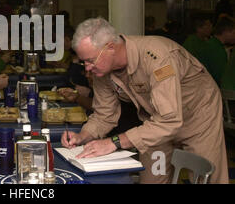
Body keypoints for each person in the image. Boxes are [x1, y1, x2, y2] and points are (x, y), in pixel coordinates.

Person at [61, 17, 228, 184]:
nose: (88, 68)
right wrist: (82, 136)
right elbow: (104, 114)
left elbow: (169, 120)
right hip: (156, 120)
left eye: (90, 60)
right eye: (84, 62)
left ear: (110, 47)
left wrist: (114, 142)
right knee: (151, 179)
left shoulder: (157, 56)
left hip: (198, 114)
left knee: (205, 176)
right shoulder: (101, 70)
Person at [200, 16, 235, 86]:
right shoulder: (216, 49)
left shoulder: (212, 43)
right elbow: (222, 77)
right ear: (226, 32)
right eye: (234, 33)